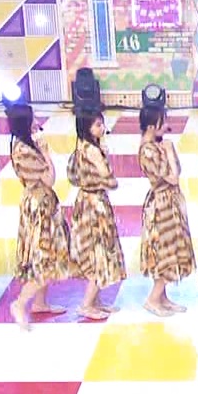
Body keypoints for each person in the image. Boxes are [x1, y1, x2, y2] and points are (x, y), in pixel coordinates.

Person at [4, 105, 71, 329]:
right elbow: (49, 179)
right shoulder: (25, 151)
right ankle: (20, 303)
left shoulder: (23, 144)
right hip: (39, 207)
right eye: (33, 118)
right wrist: (46, 153)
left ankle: (40, 303)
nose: (38, 121)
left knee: (46, 256)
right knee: (44, 259)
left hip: (40, 203)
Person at [69, 110, 127, 320]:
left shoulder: (81, 146)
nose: (102, 128)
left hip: (86, 201)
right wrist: (105, 160)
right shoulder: (92, 151)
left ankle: (96, 301)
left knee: (97, 250)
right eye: (97, 125)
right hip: (95, 206)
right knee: (99, 252)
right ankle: (86, 304)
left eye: (102, 124)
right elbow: (110, 180)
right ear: (87, 128)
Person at [137, 105, 194, 316]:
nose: (167, 126)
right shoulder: (148, 151)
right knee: (165, 252)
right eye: (163, 121)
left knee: (170, 248)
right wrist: (169, 151)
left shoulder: (156, 145)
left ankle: (162, 298)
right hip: (161, 206)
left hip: (168, 201)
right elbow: (173, 176)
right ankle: (153, 299)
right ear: (152, 126)